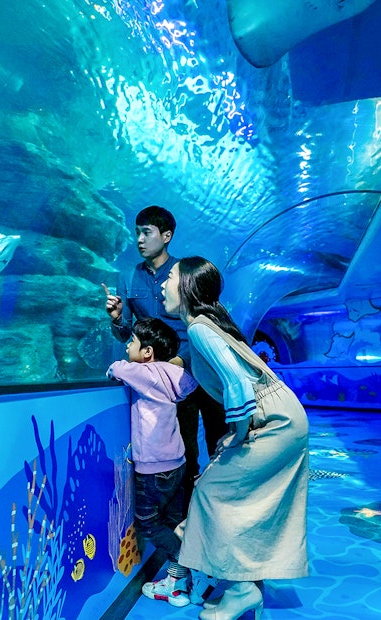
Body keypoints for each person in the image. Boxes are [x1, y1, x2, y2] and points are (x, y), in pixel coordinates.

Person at [162, 256, 310, 620]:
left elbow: (237, 384)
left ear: (186, 287)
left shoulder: (198, 327)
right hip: (283, 417)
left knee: (212, 491)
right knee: (237, 493)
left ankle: (242, 589)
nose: (163, 284)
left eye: (169, 277)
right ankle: (246, 579)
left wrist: (238, 434)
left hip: (273, 423)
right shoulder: (209, 325)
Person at [103, 206, 228, 511]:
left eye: (147, 232)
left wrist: (181, 360)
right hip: (164, 382)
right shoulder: (130, 277)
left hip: (200, 367)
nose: (140, 239)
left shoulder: (182, 274)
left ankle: (224, 504)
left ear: (167, 236)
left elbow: (201, 321)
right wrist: (118, 319)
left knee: (219, 439)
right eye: (137, 232)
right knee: (184, 447)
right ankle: (186, 516)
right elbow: (129, 336)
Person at [107, 317, 199, 608]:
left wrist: (114, 367)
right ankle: (179, 583)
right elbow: (189, 384)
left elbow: (117, 369)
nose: (127, 347)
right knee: (173, 520)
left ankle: (182, 560)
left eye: (132, 342)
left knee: (148, 524)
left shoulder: (145, 373)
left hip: (153, 468)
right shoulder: (172, 374)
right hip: (177, 463)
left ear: (147, 352)